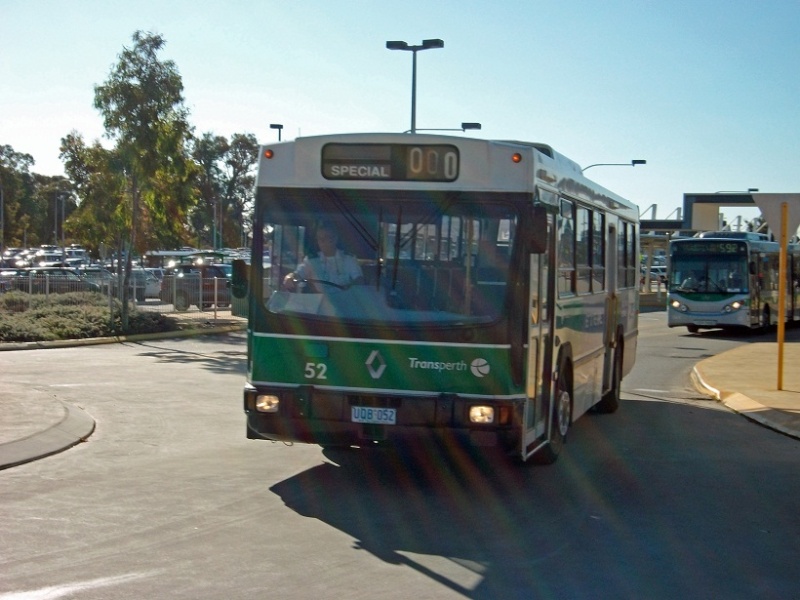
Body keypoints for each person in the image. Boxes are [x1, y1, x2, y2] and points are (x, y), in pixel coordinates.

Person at [283, 224, 363, 292]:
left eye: (326, 238)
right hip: (320, 302)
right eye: (319, 238)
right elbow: (298, 274)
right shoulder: (311, 260)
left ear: (335, 239)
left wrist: (350, 288)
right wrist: (289, 277)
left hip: (344, 300)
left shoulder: (348, 259)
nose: (322, 241)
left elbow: (359, 280)